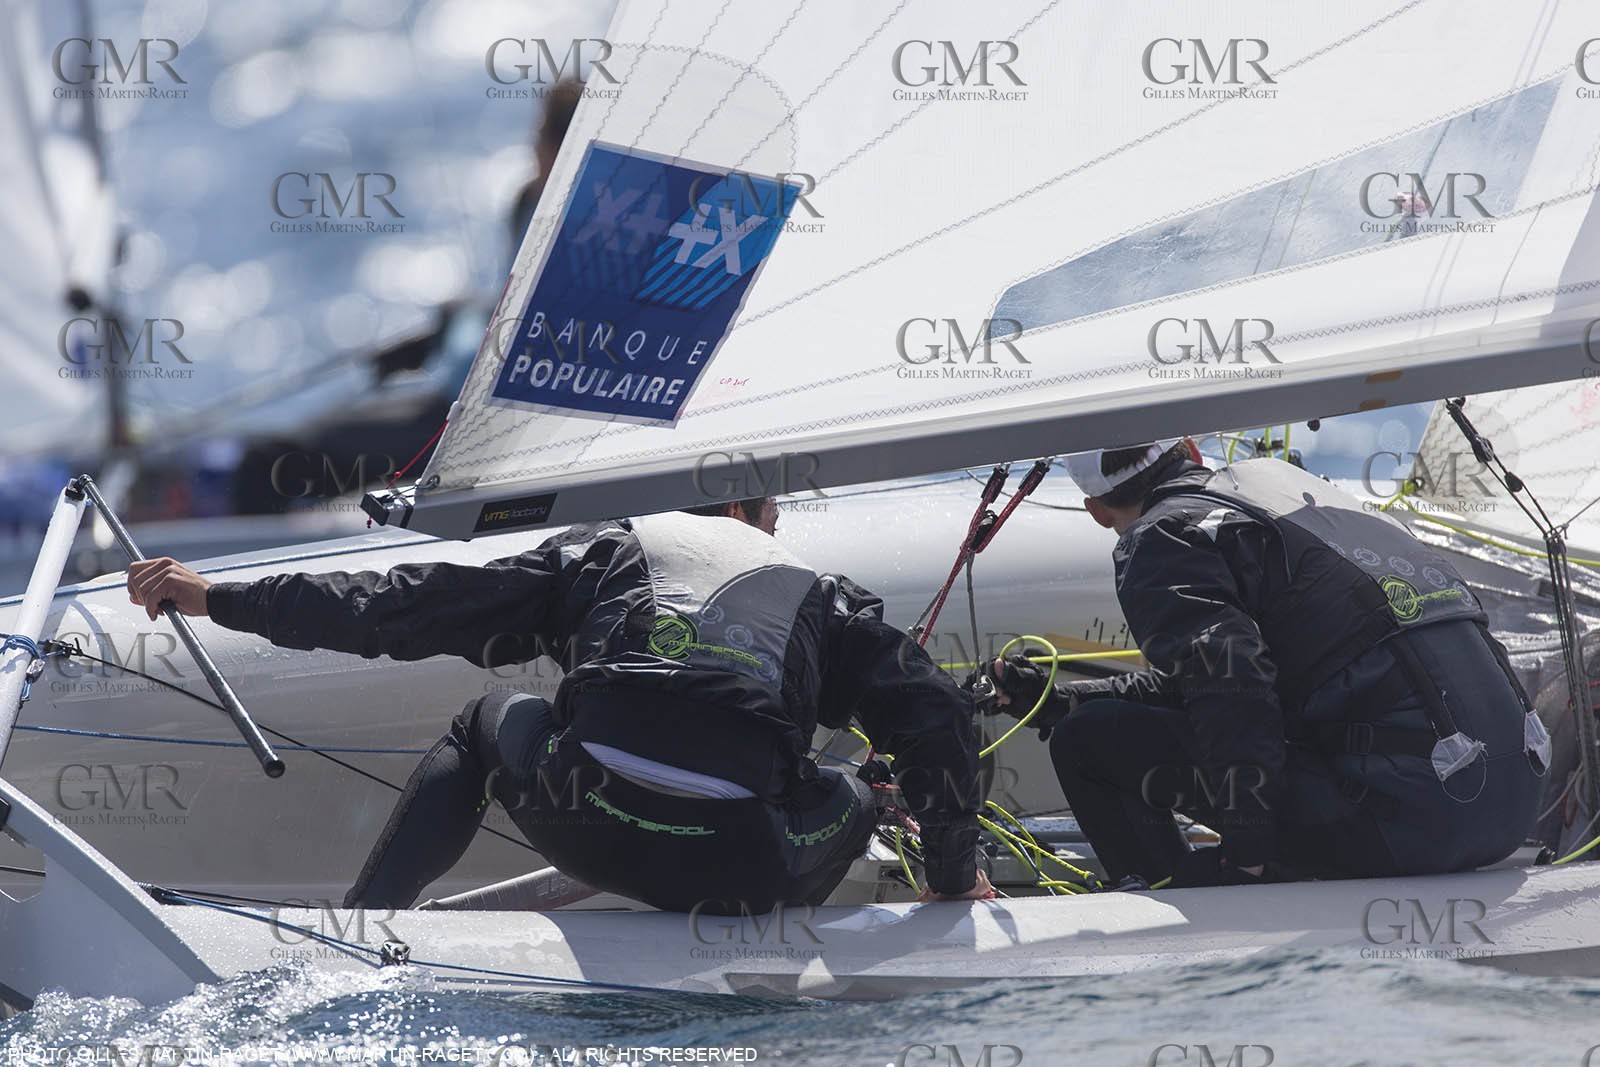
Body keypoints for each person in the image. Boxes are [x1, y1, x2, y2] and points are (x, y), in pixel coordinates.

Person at [127, 496, 990, 912]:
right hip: (747, 868)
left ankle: (366, 925)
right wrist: (952, 880)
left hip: (587, 823)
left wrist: (221, 598)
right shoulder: (824, 601)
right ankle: (759, 966)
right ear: (755, 513)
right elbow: (941, 719)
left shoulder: (603, 553)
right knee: (856, 790)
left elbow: (404, 605)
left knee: (484, 720)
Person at [987, 440, 1548, 888]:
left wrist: (1246, 859)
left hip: (1415, 824)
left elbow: (1235, 692)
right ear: (1192, 451)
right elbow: (1220, 682)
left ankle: (1174, 909)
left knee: (1087, 741)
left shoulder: (1161, 536)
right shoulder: (1290, 500)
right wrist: (1063, 700)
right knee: (1087, 718)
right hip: (1510, 808)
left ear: (1096, 510)